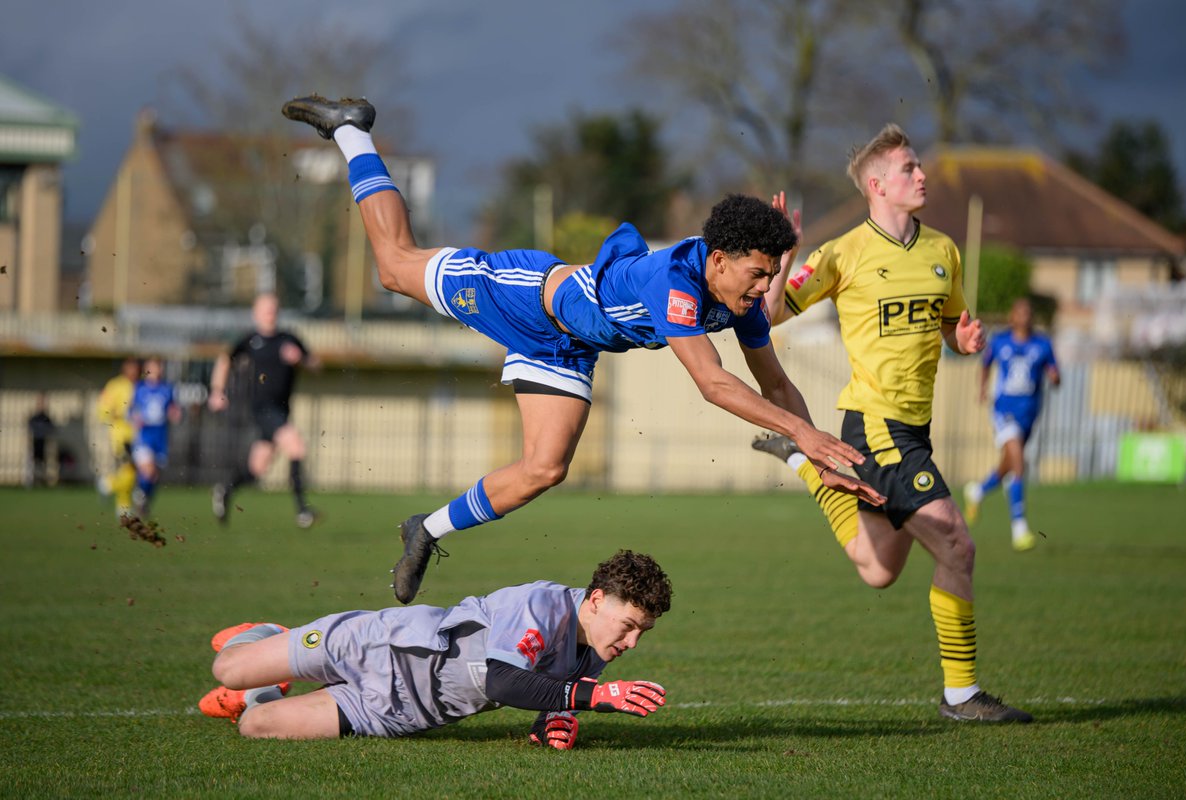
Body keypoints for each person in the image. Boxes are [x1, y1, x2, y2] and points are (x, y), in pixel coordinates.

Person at [281, 95, 883, 605]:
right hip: (521, 299)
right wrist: (804, 437)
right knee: (391, 266)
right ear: (720, 260)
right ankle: (352, 128)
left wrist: (822, 456)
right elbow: (714, 383)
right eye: (758, 272)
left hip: (566, 348)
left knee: (545, 469)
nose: (763, 287)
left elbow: (775, 384)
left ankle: (425, 528)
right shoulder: (676, 282)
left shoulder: (740, 297)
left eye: (770, 274)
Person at [751, 124, 1032, 722]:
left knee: (879, 570)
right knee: (957, 541)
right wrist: (785, 258)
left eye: (918, 166)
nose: (922, 175)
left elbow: (954, 328)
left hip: (914, 429)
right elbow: (768, 315)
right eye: (910, 168)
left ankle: (806, 463)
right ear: (878, 184)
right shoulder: (844, 252)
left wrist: (963, 338)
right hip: (878, 426)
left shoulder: (943, 251)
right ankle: (961, 697)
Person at [198, 550, 672, 744]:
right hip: (384, 647)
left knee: (256, 726)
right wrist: (590, 700)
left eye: (642, 633)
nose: (631, 641)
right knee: (228, 669)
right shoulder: (542, 605)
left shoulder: (596, 650)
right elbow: (504, 680)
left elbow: (552, 696)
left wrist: (556, 722)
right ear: (595, 600)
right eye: (629, 625)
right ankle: (264, 634)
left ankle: (260, 693)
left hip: (399, 711)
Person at [208, 292, 318, 529]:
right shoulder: (249, 340)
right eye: (265, 309)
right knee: (296, 446)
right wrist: (217, 390)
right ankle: (302, 510)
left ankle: (225, 490)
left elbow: (315, 364)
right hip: (262, 409)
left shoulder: (289, 339)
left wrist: (300, 360)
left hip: (282, 411)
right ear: (256, 313)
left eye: (273, 309)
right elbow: (225, 359)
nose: (270, 313)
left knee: (257, 468)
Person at [964, 297, 1059, 550]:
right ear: (1012, 316)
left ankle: (977, 491)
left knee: (1008, 465)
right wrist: (983, 388)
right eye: (1020, 312)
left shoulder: (1043, 344)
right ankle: (1019, 529)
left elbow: (1053, 370)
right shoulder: (999, 341)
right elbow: (985, 365)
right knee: (1018, 464)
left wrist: (1055, 377)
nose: (1024, 316)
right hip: (1003, 410)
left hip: (1029, 414)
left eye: (1028, 312)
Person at [129, 357, 182, 518]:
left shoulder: (167, 388)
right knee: (148, 469)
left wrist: (175, 414)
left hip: (160, 435)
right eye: (152, 367)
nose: (156, 371)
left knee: (154, 475)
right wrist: (135, 417)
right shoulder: (139, 388)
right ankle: (139, 494)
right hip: (145, 435)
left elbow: (173, 409)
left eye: (158, 367)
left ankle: (143, 500)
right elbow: (131, 410)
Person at [96, 357, 141, 518]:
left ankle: (109, 486)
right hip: (121, 436)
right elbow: (102, 411)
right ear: (124, 368)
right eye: (131, 367)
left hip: (139, 436)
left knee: (130, 472)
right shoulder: (115, 385)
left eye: (136, 367)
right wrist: (115, 414)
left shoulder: (140, 385)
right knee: (129, 470)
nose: (134, 371)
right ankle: (120, 503)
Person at [26, 393, 55, 487]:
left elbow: (51, 429)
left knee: (43, 464)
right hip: (35, 442)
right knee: (33, 463)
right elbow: (29, 429)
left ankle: (42, 481)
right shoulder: (34, 417)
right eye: (40, 402)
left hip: (44, 443)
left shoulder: (46, 418)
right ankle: (32, 481)